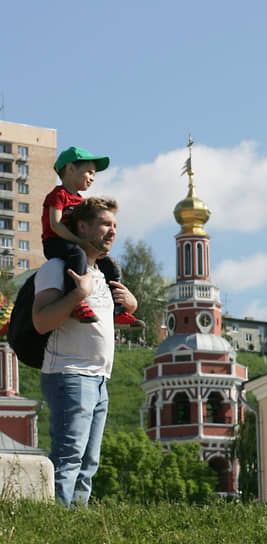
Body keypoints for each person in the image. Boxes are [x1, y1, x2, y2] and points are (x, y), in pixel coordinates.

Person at [33, 197, 138, 506]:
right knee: (69, 458)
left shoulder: (102, 275)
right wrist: (78, 293)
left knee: (88, 464)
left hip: (99, 379)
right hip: (70, 374)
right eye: (106, 224)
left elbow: (99, 325)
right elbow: (41, 322)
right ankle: (56, 522)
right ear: (82, 227)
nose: (113, 231)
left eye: (116, 226)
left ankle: (75, 525)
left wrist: (130, 305)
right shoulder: (58, 269)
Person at [44, 146, 143, 329]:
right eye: (89, 172)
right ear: (70, 168)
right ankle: (74, 300)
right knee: (77, 255)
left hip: (76, 244)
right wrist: (79, 241)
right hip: (55, 242)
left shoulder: (81, 201)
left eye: (94, 174)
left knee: (110, 264)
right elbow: (55, 225)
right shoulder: (59, 194)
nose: (92, 177)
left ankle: (118, 310)